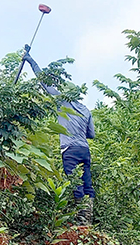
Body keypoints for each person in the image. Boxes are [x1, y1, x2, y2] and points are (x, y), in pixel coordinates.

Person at [22, 49, 96, 224]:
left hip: (69, 150)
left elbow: (43, 82)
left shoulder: (62, 102)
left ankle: (81, 221)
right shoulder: (86, 110)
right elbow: (91, 134)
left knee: (75, 182)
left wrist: (30, 60)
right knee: (87, 182)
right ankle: (88, 218)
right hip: (84, 150)